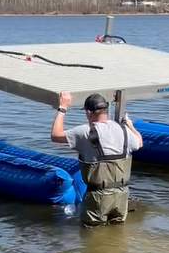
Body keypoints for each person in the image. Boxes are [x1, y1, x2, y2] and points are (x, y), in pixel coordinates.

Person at [50, 91, 143, 227]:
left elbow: (55, 135)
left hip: (97, 197)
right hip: (121, 196)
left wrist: (62, 107)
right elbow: (139, 142)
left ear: (88, 113)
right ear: (105, 110)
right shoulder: (124, 130)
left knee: (91, 235)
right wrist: (130, 125)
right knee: (116, 232)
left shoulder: (85, 132)